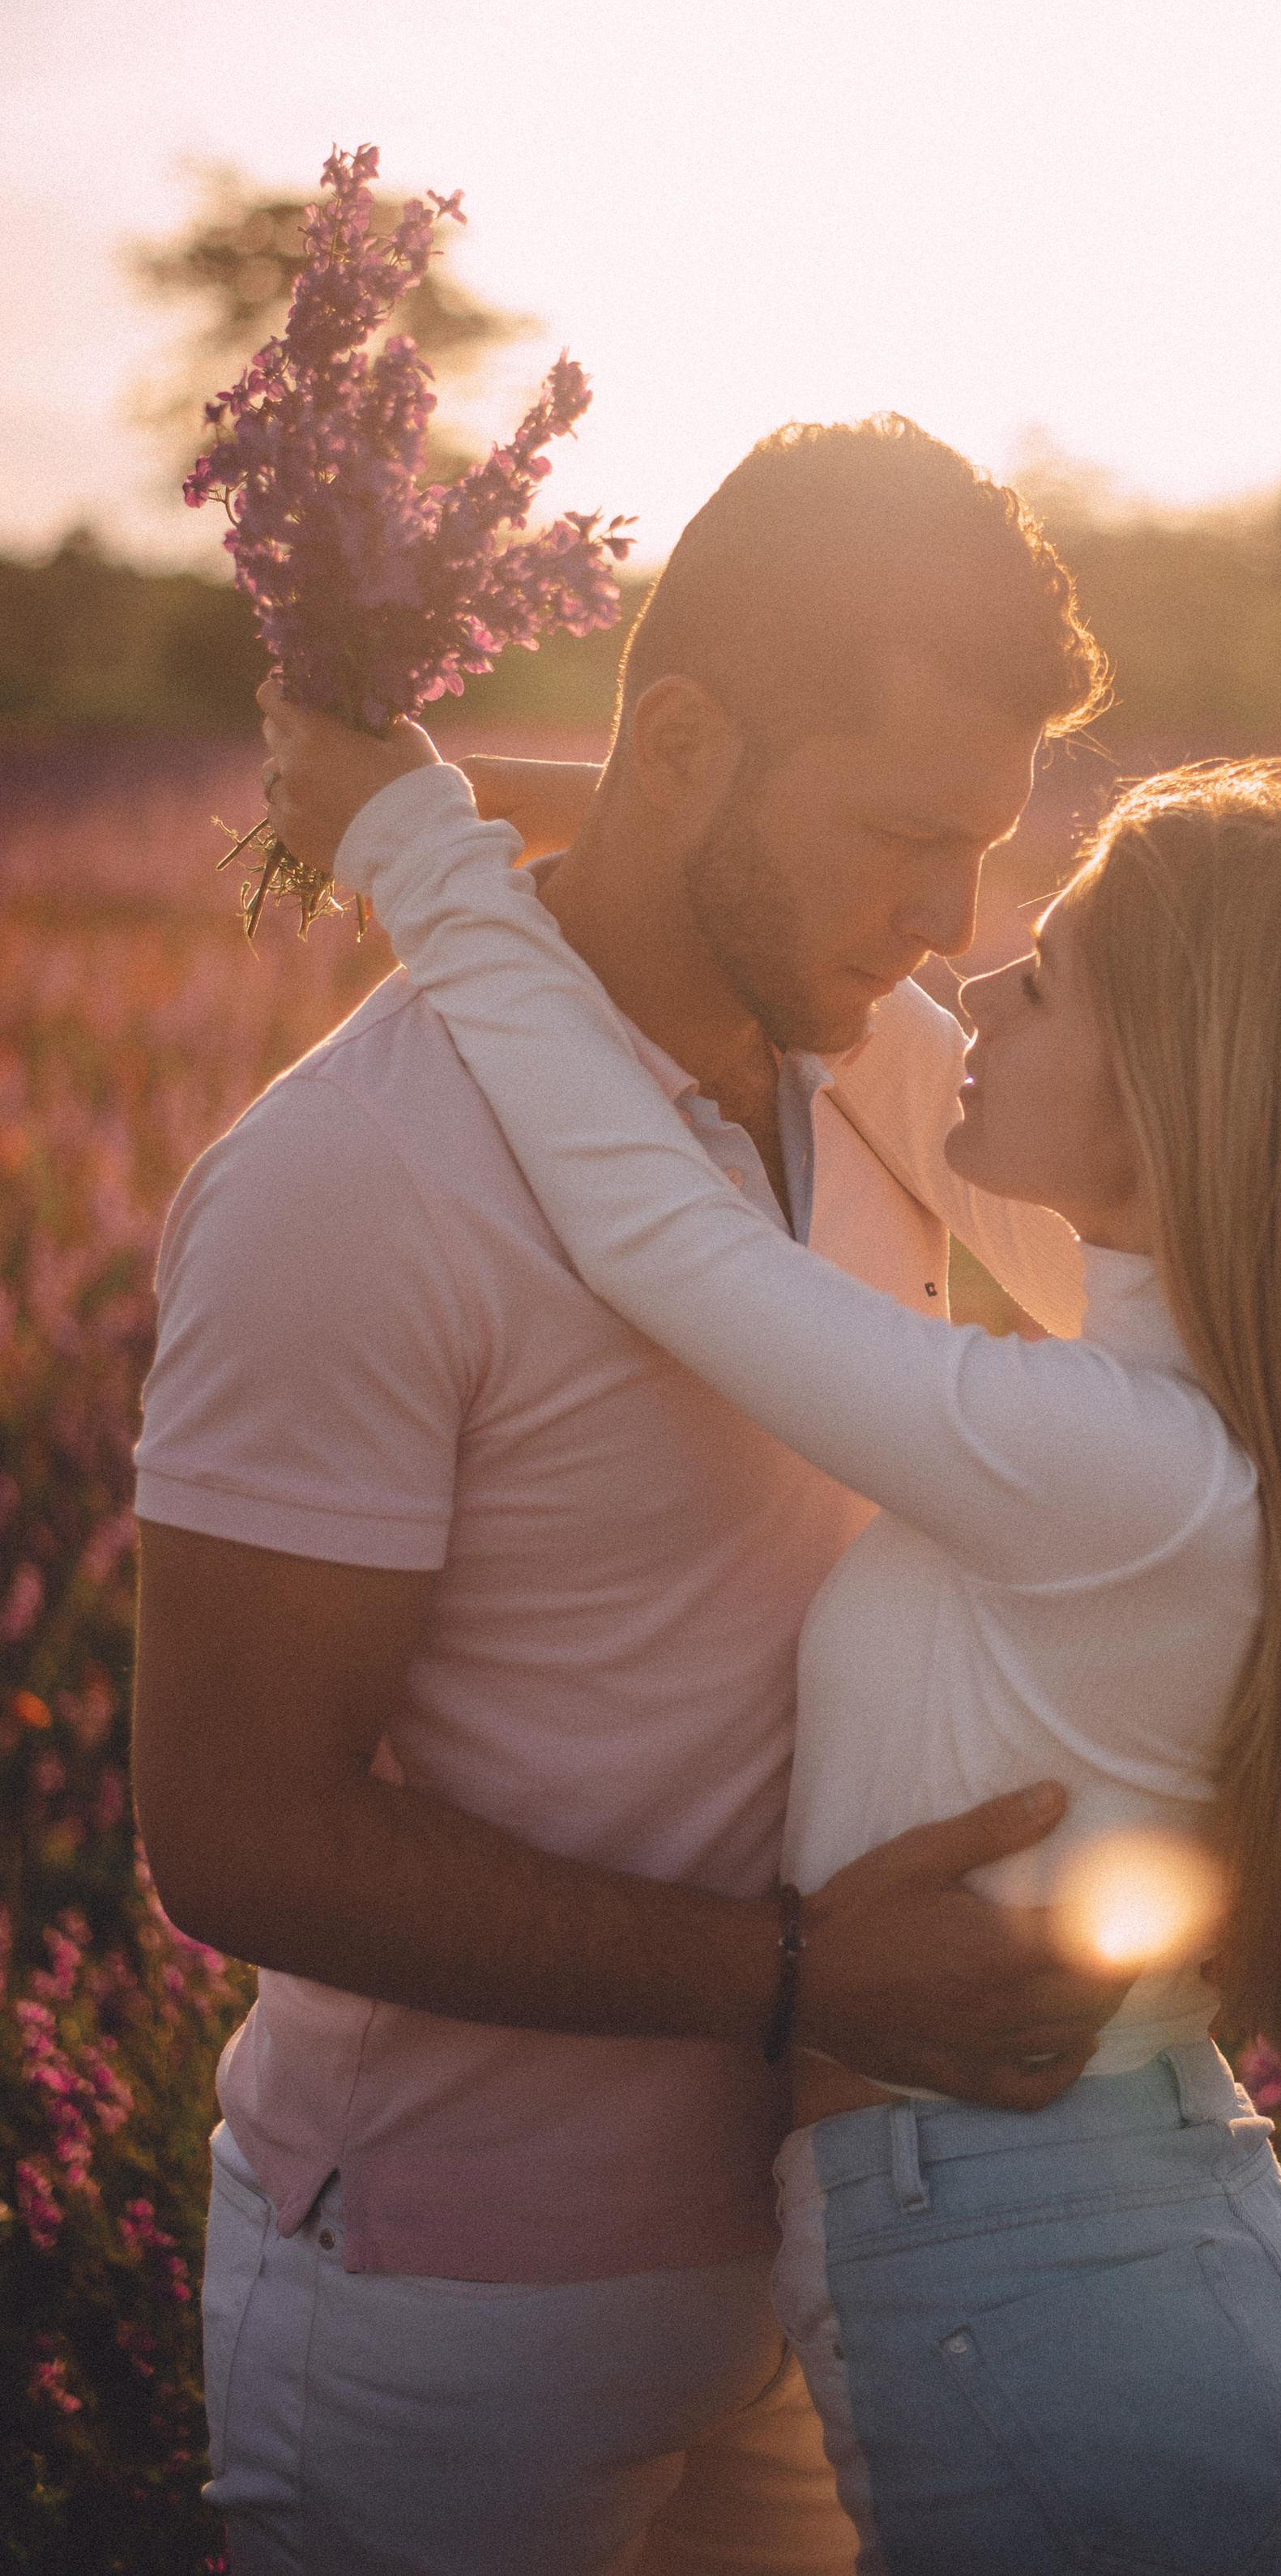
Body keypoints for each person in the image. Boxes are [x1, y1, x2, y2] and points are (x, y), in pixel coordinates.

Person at [258, 670, 1281, 2576]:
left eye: (1049, 973)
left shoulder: (1112, 1465)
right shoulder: (1233, 1408)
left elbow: (662, 1239)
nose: (966, 978)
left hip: (1050, 2301)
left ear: (1185, 1098)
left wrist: (422, 853)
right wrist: (479, 791)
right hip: (1165, 2252)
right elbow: (853, 997)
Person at [130, 417, 1139, 2576]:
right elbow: (233, 1827)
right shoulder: (344, 1187)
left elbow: (672, 827)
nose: (948, 923)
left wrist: (418, 799)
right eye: (896, 831)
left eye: (980, 850)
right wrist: (797, 1976)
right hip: (443, 2310)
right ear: (678, 738)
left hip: (818, 2258)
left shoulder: (877, 1061)